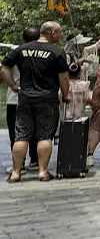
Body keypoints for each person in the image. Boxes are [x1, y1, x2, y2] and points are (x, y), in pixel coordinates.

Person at [1, 21, 70, 182]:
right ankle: (42, 172)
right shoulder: (56, 51)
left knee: (21, 136)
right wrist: (66, 95)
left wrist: (13, 86)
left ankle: (16, 173)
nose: (60, 36)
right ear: (52, 33)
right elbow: (64, 77)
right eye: (59, 32)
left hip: (25, 99)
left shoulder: (22, 49)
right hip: (47, 99)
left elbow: (3, 67)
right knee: (45, 136)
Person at [6, 28, 41, 172]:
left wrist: (13, 85)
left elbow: (3, 69)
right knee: (35, 131)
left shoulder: (15, 53)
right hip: (37, 96)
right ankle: (35, 161)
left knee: (17, 133)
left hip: (16, 99)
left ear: (22, 39)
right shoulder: (43, 53)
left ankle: (19, 164)